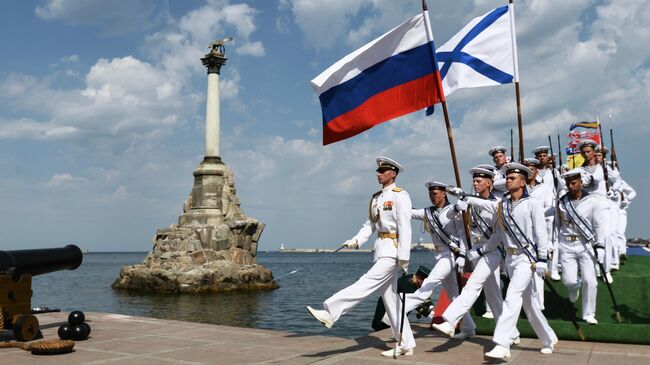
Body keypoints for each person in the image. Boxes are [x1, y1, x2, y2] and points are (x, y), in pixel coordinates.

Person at [306, 156, 416, 357]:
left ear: (393, 173)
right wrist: (356, 241)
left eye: (382, 171)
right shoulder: (376, 198)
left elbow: (405, 227)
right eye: (378, 171)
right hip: (381, 249)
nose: (378, 174)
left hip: (393, 250)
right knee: (391, 300)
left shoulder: (401, 196)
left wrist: (404, 257)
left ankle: (331, 311)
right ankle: (406, 342)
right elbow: (370, 225)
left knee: (365, 282)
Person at [448, 163, 558, 359]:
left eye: (512, 178)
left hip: (527, 259)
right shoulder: (503, 205)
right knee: (530, 305)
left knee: (512, 297)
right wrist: (464, 196)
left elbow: (541, 233)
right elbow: (489, 213)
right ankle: (549, 338)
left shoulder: (532, 203)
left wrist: (542, 259)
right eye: (507, 178)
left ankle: (502, 344)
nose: (508, 180)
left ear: (523, 182)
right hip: (510, 259)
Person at [431, 167, 520, 344]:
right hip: (475, 251)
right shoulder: (468, 204)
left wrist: (464, 196)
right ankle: (512, 333)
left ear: (489, 183)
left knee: (473, 285)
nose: (475, 183)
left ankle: (450, 320)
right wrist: (464, 254)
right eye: (474, 181)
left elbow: (497, 234)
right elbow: (465, 232)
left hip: (492, 251)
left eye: (479, 181)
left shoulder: (498, 202)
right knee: (493, 296)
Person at [401, 181, 476, 339]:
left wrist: (463, 255)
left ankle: (400, 307)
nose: (432, 197)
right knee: (453, 294)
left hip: (450, 255)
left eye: (435, 194)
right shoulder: (428, 212)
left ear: (444, 194)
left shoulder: (454, 211)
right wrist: (397, 202)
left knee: (429, 283)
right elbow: (410, 212)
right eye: (430, 194)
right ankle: (469, 328)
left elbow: (463, 234)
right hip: (439, 255)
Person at [556, 169, 606, 325]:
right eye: (568, 183)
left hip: (585, 244)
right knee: (569, 280)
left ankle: (589, 313)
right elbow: (558, 225)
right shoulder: (562, 202)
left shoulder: (593, 201)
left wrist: (601, 245)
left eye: (573, 183)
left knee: (590, 280)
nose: (570, 186)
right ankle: (573, 286)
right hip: (566, 244)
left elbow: (598, 225)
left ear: (581, 183)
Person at [579, 140, 619, 283]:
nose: (586, 154)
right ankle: (594, 267)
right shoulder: (580, 170)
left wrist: (614, 189)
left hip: (603, 203)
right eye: (583, 152)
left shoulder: (604, 168)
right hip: (588, 205)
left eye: (588, 151)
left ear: (593, 152)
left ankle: (606, 269)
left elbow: (617, 179)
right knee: (591, 238)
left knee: (606, 236)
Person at [371, 265, 430, 331]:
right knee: (381, 328)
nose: (424, 285)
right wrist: (430, 313)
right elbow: (416, 303)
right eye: (424, 282)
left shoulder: (414, 281)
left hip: (396, 309)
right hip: (386, 308)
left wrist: (431, 306)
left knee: (395, 327)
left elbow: (425, 297)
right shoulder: (408, 284)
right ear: (419, 278)